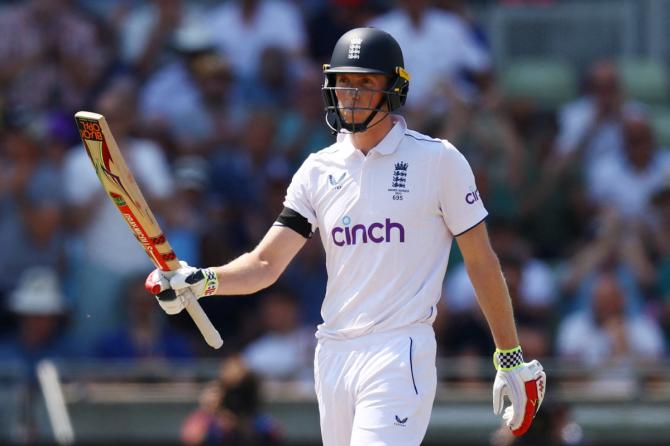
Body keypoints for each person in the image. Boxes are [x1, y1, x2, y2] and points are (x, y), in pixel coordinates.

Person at [146, 28, 546, 445]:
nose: (350, 94)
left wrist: (509, 357)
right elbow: (265, 264)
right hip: (333, 353)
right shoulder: (317, 169)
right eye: (343, 82)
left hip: (399, 350)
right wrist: (200, 280)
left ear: (393, 89)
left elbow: (481, 261)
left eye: (365, 83)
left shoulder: (438, 160)